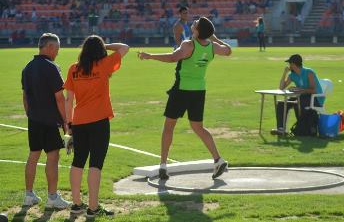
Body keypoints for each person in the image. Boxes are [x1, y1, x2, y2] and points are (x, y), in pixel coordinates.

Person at [138, 17, 231, 180]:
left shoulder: (189, 45)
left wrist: (150, 56)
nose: (192, 23)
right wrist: (213, 37)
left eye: (195, 24)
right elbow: (228, 50)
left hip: (181, 90)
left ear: (197, 30)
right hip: (199, 91)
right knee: (198, 127)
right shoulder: (212, 47)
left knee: (169, 127)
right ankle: (218, 159)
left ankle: (163, 166)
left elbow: (173, 57)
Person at [64, 35, 129, 217]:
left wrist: (69, 125)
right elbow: (124, 47)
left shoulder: (73, 69)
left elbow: (69, 100)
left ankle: (76, 204)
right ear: (100, 51)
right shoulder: (103, 64)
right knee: (95, 164)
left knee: (78, 162)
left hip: (78, 122)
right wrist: (104, 46)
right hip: (99, 121)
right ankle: (93, 208)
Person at [21, 33, 70, 209]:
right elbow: (59, 98)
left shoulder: (27, 67)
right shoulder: (52, 67)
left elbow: (25, 97)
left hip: (33, 119)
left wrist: (30, 115)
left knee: (33, 154)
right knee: (53, 155)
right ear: (49, 47)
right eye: (57, 49)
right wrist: (66, 122)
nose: (57, 52)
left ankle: (28, 195)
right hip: (49, 121)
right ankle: (52, 197)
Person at [271, 54, 324, 135]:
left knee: (298, 103)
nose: (289, 66)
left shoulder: (309, 72)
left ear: (293, 64)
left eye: (290, 64)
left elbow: (313, 90)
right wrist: (285, 73)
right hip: (301, 96)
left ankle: (301, 129)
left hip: (315, 98)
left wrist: (298, 89)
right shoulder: (292, 75)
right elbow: (281, 88)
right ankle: (281, 129)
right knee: (281, 104)